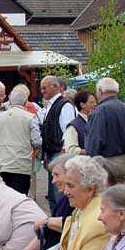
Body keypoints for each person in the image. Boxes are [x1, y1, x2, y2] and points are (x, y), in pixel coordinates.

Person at [0, 154, 76, 250]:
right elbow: (43, 234)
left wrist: (46, 221)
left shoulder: (74, 202)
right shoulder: (64, 199)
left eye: (56, 175)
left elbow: (70, 224)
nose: (53, 181)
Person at [32, 76, 76, 214]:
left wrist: (63, 155)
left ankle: (62, 225)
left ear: (56, 87)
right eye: (41, 88)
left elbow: (68, 131)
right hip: (51, 153)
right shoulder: (51, 104)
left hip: (59, 154)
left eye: (45, 87)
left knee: (60, 194)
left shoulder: (65, 105)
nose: (42, 91)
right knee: (52, 194)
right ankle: (55, 224)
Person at [85, 77, 125, 182]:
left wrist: (89, 163)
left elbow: (95, 141)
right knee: (118, 195)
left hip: (105, 162)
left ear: (100, 91)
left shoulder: (100, 110)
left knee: (105, 195)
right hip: (123, 161)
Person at [0, 86, 34, 195]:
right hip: (21, 165)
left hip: (0, 164)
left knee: (2, 198)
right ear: (25, 101)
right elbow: (36, 141)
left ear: (10, 100)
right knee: (19, 198)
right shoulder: (30, 118)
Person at [63, 90, 96, 155]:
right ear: (82, 105)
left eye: (95, 102)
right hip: (82, 163)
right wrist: (88, 151)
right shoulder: (73, 126)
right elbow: (71, 150)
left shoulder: (95, 121)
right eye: (91, 102)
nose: (95, 104)